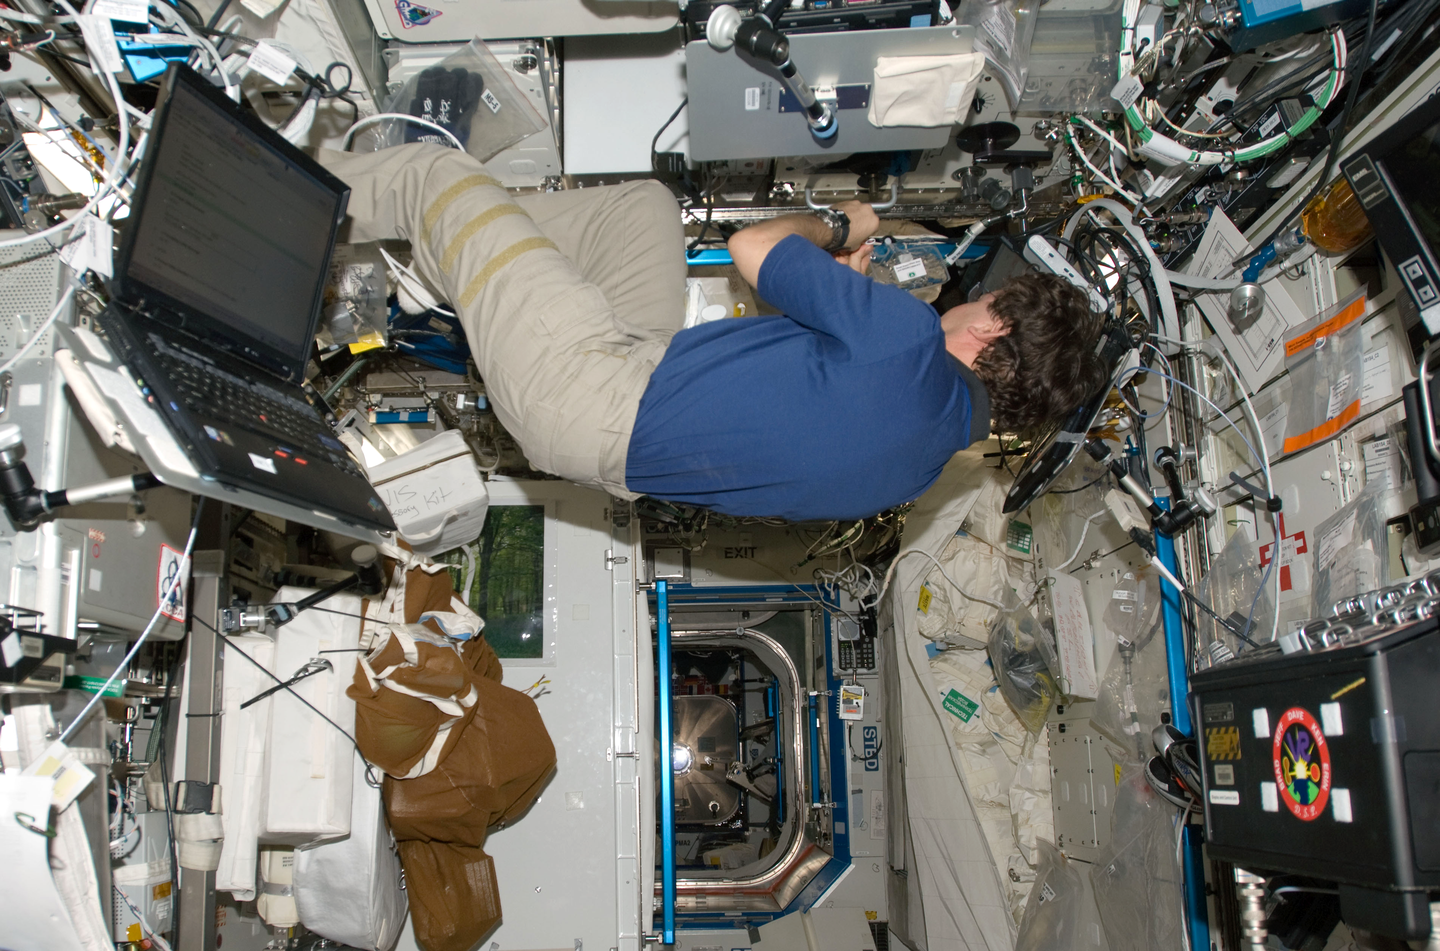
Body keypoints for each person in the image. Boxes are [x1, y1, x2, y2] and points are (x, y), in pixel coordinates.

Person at [320, 143, 1109, 522]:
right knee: (644, 214)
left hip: (587, 386)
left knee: (436, 177)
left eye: (994, 296)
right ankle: (461, 261)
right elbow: (793, 398)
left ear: (998, 322)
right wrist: (851, 293)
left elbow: (751, 248)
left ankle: (267, 179)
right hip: (624, 406)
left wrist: (840, 229)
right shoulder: (921, 467)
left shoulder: (904, 340)